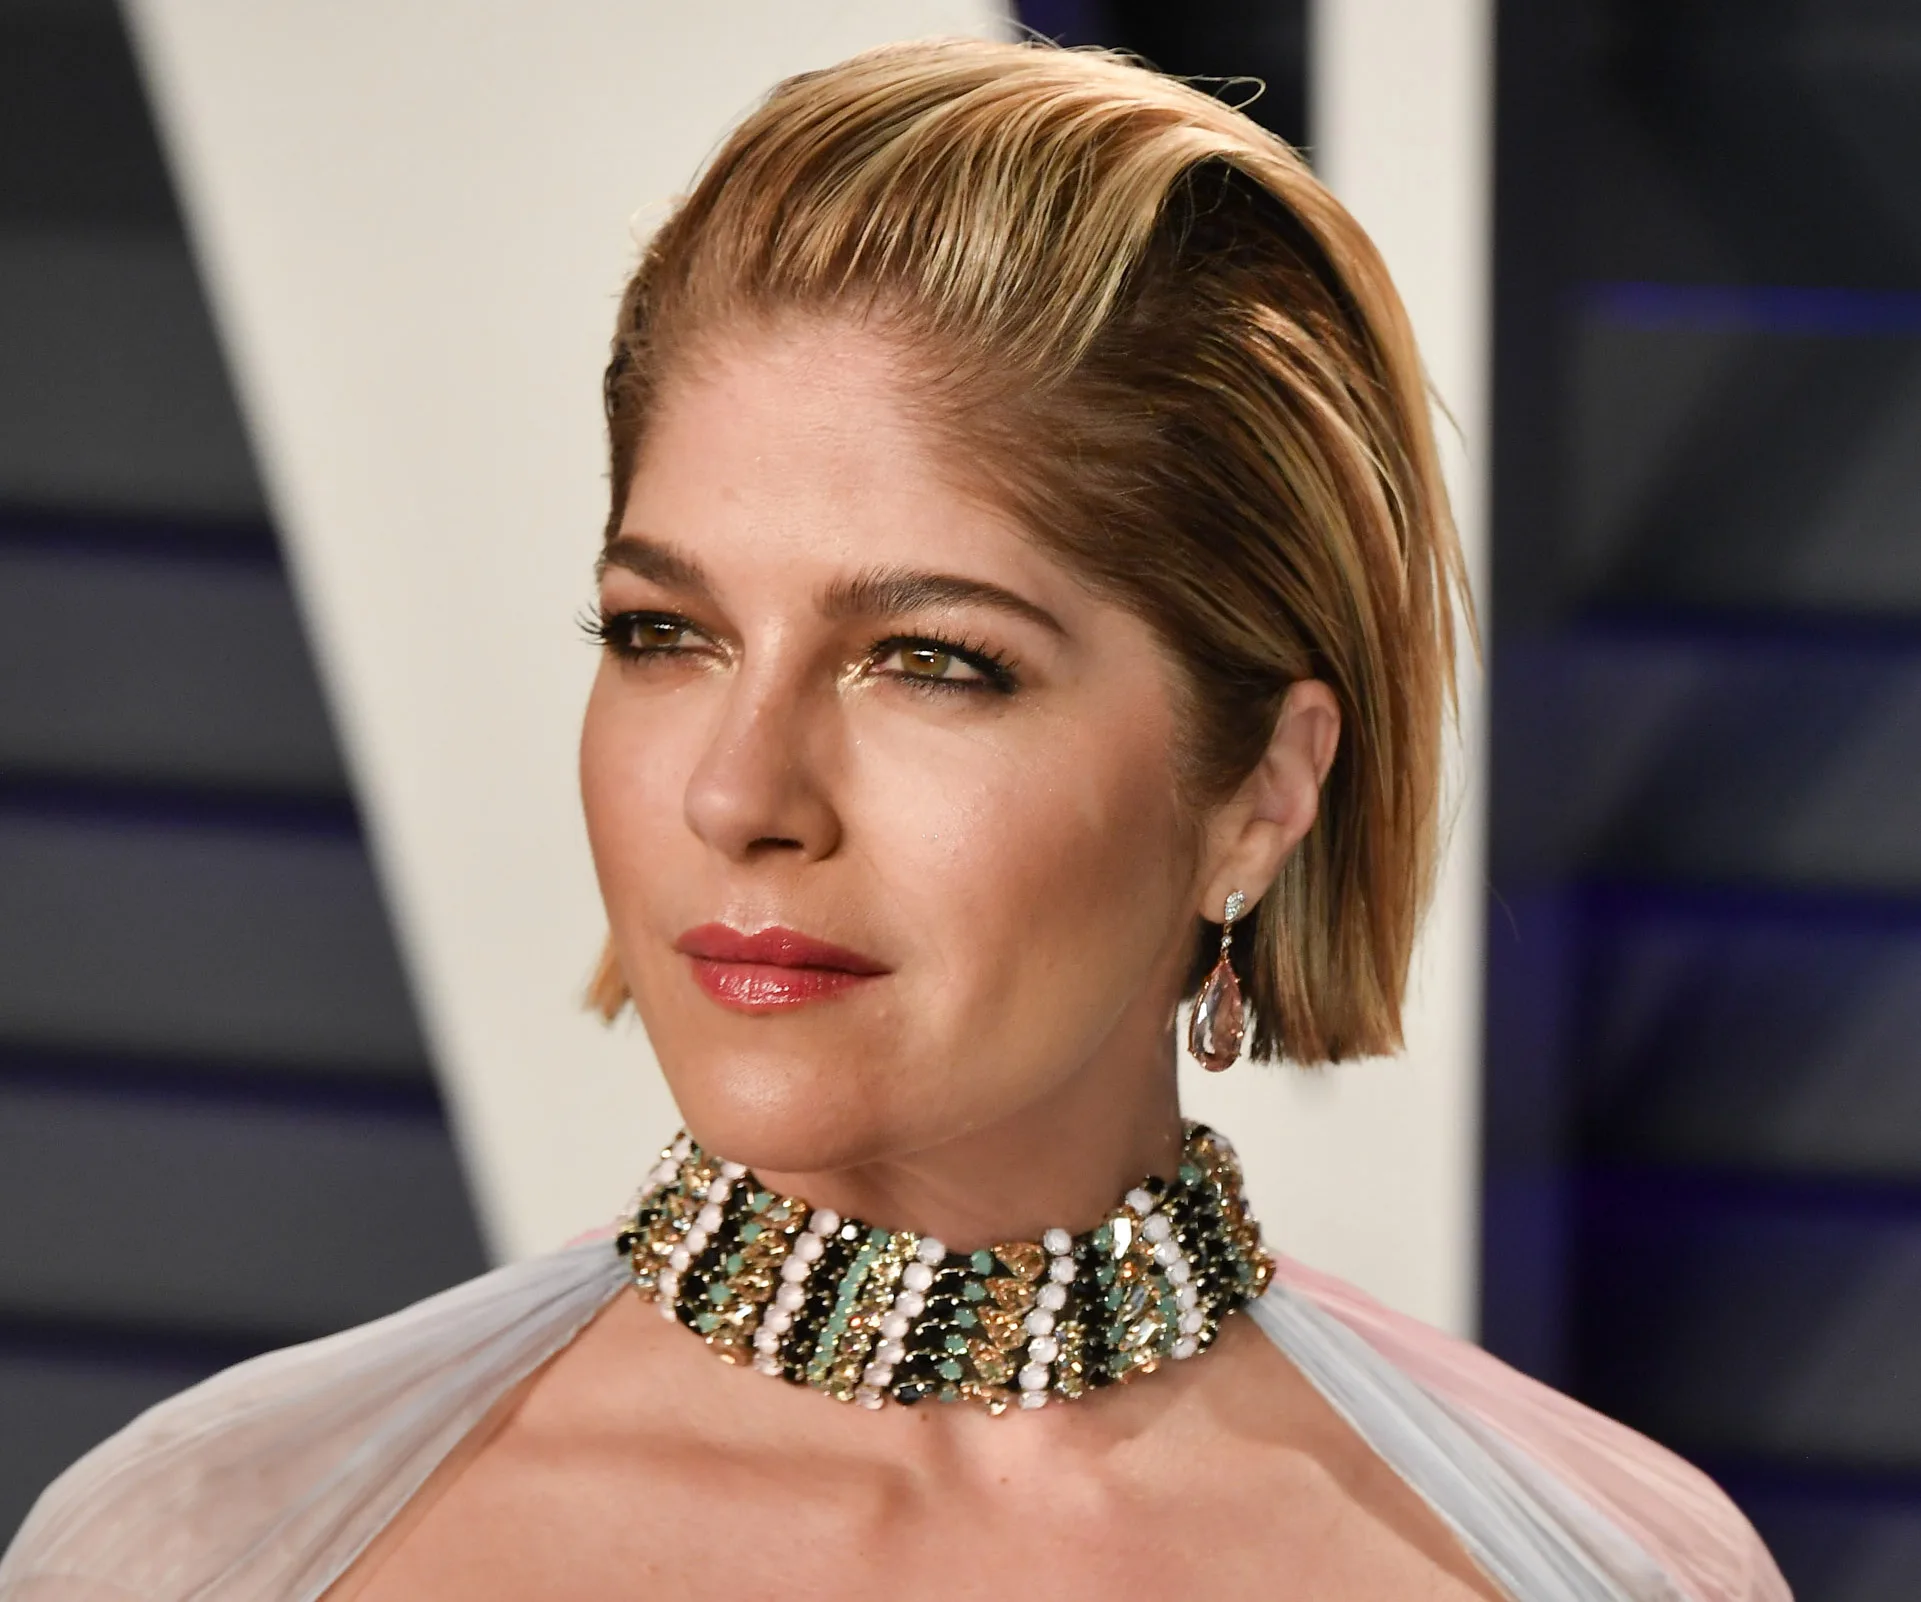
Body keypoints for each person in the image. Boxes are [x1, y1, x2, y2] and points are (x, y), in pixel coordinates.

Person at [0, 37, 1786, 1602]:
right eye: (662, 634)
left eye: (930, 660)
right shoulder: (210, 1547)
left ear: (1262, 790)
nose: (735, 789)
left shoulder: (1589, 1567)